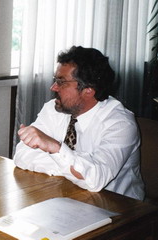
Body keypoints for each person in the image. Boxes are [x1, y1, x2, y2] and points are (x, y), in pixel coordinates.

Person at [14, 46, 144, 200]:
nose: (53, 87)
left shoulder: (120, 124)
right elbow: (22, 155)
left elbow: (95, 181)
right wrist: (72, 170)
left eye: (61, 82)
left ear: (88, 90)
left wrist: (55, 148)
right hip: (69, 197)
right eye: (55, 80)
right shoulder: (53, 109)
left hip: (119, 208)